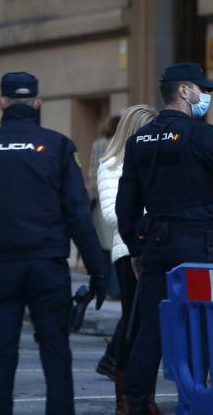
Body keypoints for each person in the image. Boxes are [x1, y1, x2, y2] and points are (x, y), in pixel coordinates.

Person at [0, 72, 108, 415]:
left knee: (1, 358)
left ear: (2, 103)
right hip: (47, 267)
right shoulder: (59, 146)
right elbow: (79, 217)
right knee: (56, 355)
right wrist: (100, 272)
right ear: (37, 103)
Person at [116, 63, 213, 415]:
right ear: (184, 92)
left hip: (156, 242)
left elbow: (126, 204)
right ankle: (201, 401)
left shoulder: (138, 139)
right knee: (205, 325)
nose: (206, 97)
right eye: (202, 90)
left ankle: (137, 403)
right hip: (196, 244)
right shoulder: (200, 134)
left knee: (150, 330)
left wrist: (136, 247)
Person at [96, 105, 157, 415]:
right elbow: (111, 214)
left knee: (151, 326)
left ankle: (146, 397)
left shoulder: (154, 161)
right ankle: (124, 399)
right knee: (132, 324)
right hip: (128, 250)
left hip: (157, 248)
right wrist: (149, 211)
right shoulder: (110, 164)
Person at [92, 114, 122, 379]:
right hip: (124, 236)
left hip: (102, 203)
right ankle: (114, 360)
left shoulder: (101, 146)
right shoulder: (112, 153)